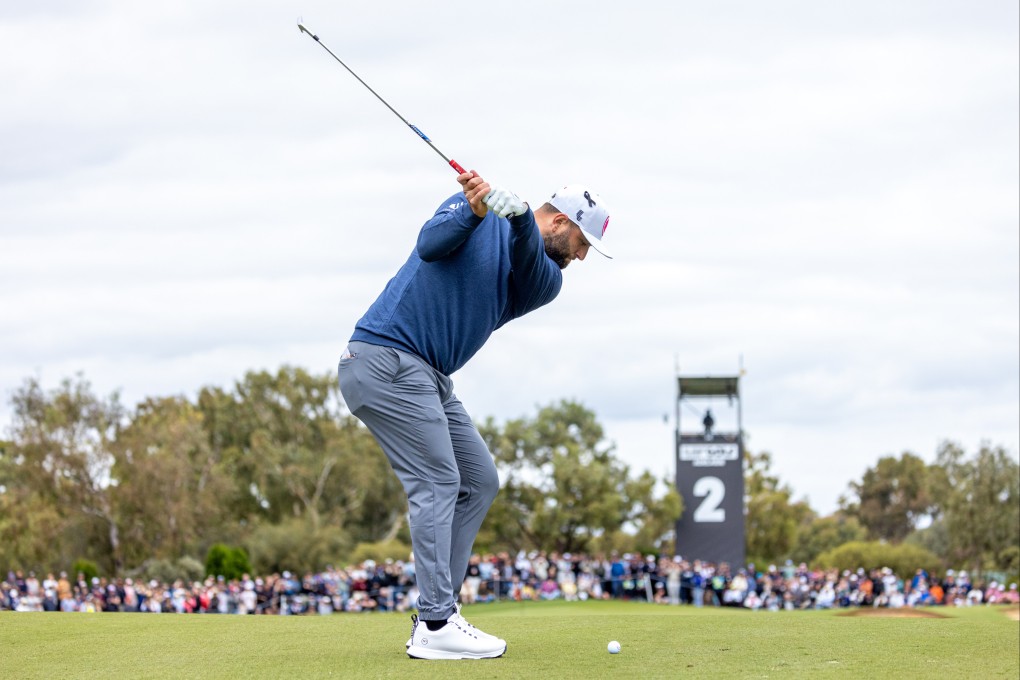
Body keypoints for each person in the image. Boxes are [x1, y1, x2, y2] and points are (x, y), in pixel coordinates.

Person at [337, 171, 611, 660]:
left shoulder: (546, 279)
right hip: (385, 358)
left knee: (479, 480)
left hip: (430, 377)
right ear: (562, 221)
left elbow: (527, 257)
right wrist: (474, 211)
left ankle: (437, 614)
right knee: (440, 481)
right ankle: (438, 623)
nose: (582, 255)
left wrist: (523, 219)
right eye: (582, 240)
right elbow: (429, 245)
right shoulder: (472, 209)